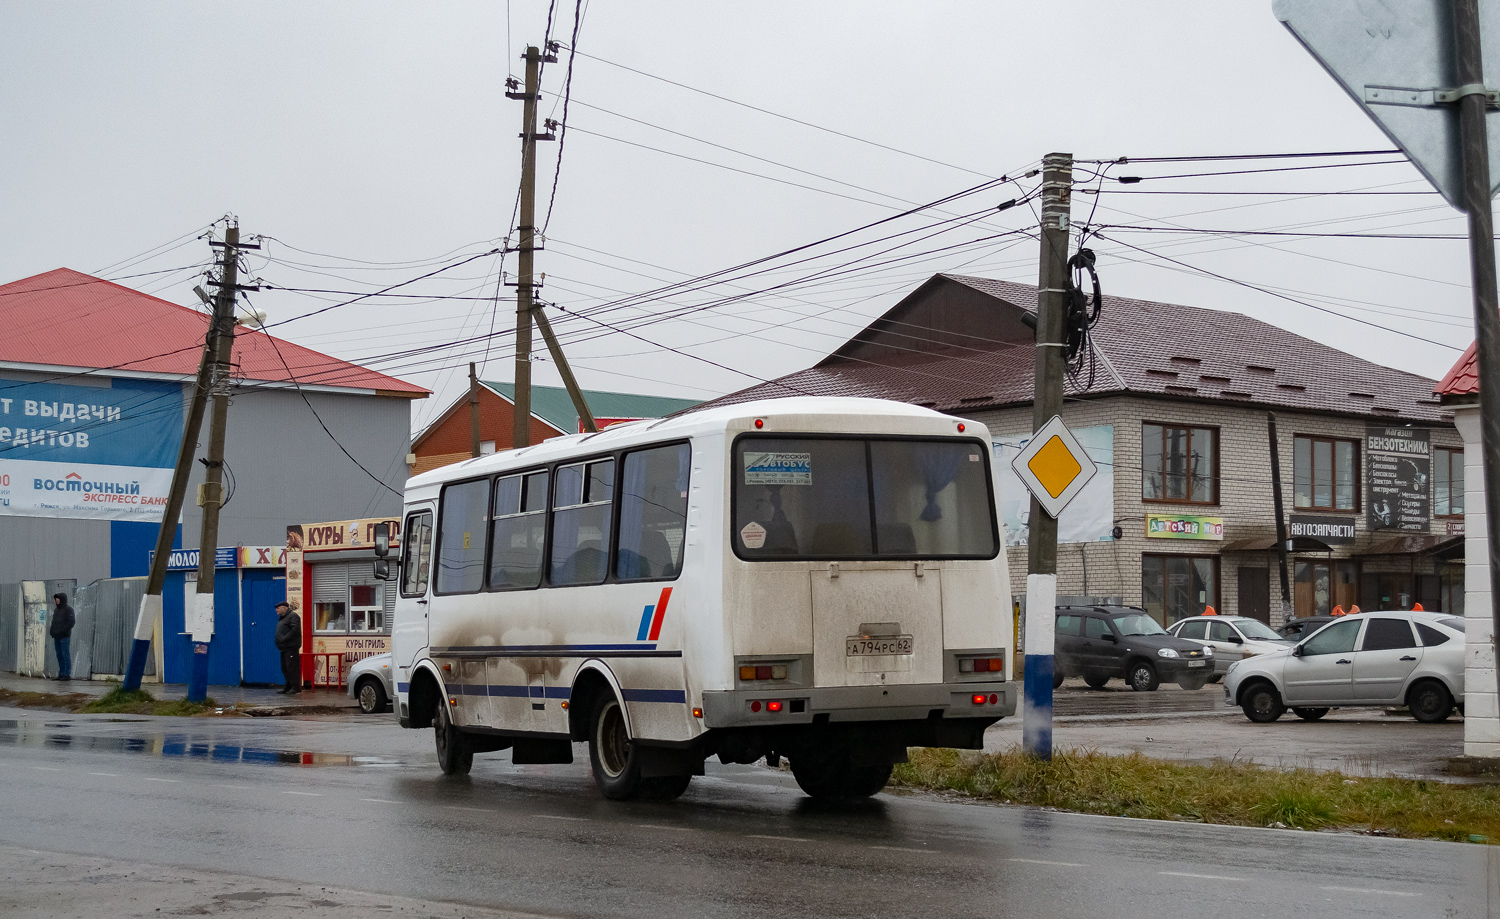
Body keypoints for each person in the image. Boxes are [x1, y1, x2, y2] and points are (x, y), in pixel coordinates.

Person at [273, 601, 302, 694]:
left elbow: (295, 630)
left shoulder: (293, 616)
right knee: (285, 667)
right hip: (283, 648)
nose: (276, 610)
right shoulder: (282, 618)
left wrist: (284, 639)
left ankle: (295, 687)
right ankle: (288, 686)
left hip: (291, 647)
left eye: (278, 608)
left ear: (284, 608)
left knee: (292, 668)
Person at [49, 593, 75, 681]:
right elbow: (54, 622)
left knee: (65, 655)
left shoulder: (68, 610)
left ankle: (67, 674)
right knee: (59, 655)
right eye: (56, 598)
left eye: (58, 598)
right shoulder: (56, 610)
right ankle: (61, 673)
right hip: (56, 636)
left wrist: (63, 631)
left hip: (64, 637)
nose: (57, 600)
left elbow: (71, 622)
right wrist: (52, 631)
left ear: (62, 599)